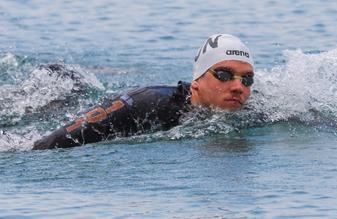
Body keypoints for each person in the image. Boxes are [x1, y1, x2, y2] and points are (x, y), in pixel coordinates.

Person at [32, 34, 255, 150]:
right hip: (59, 101)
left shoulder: (255, 108)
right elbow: (50, 144)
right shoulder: (145, 103)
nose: (238, 87)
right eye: (224, 75)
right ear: (196, 81)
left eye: (247, 79)